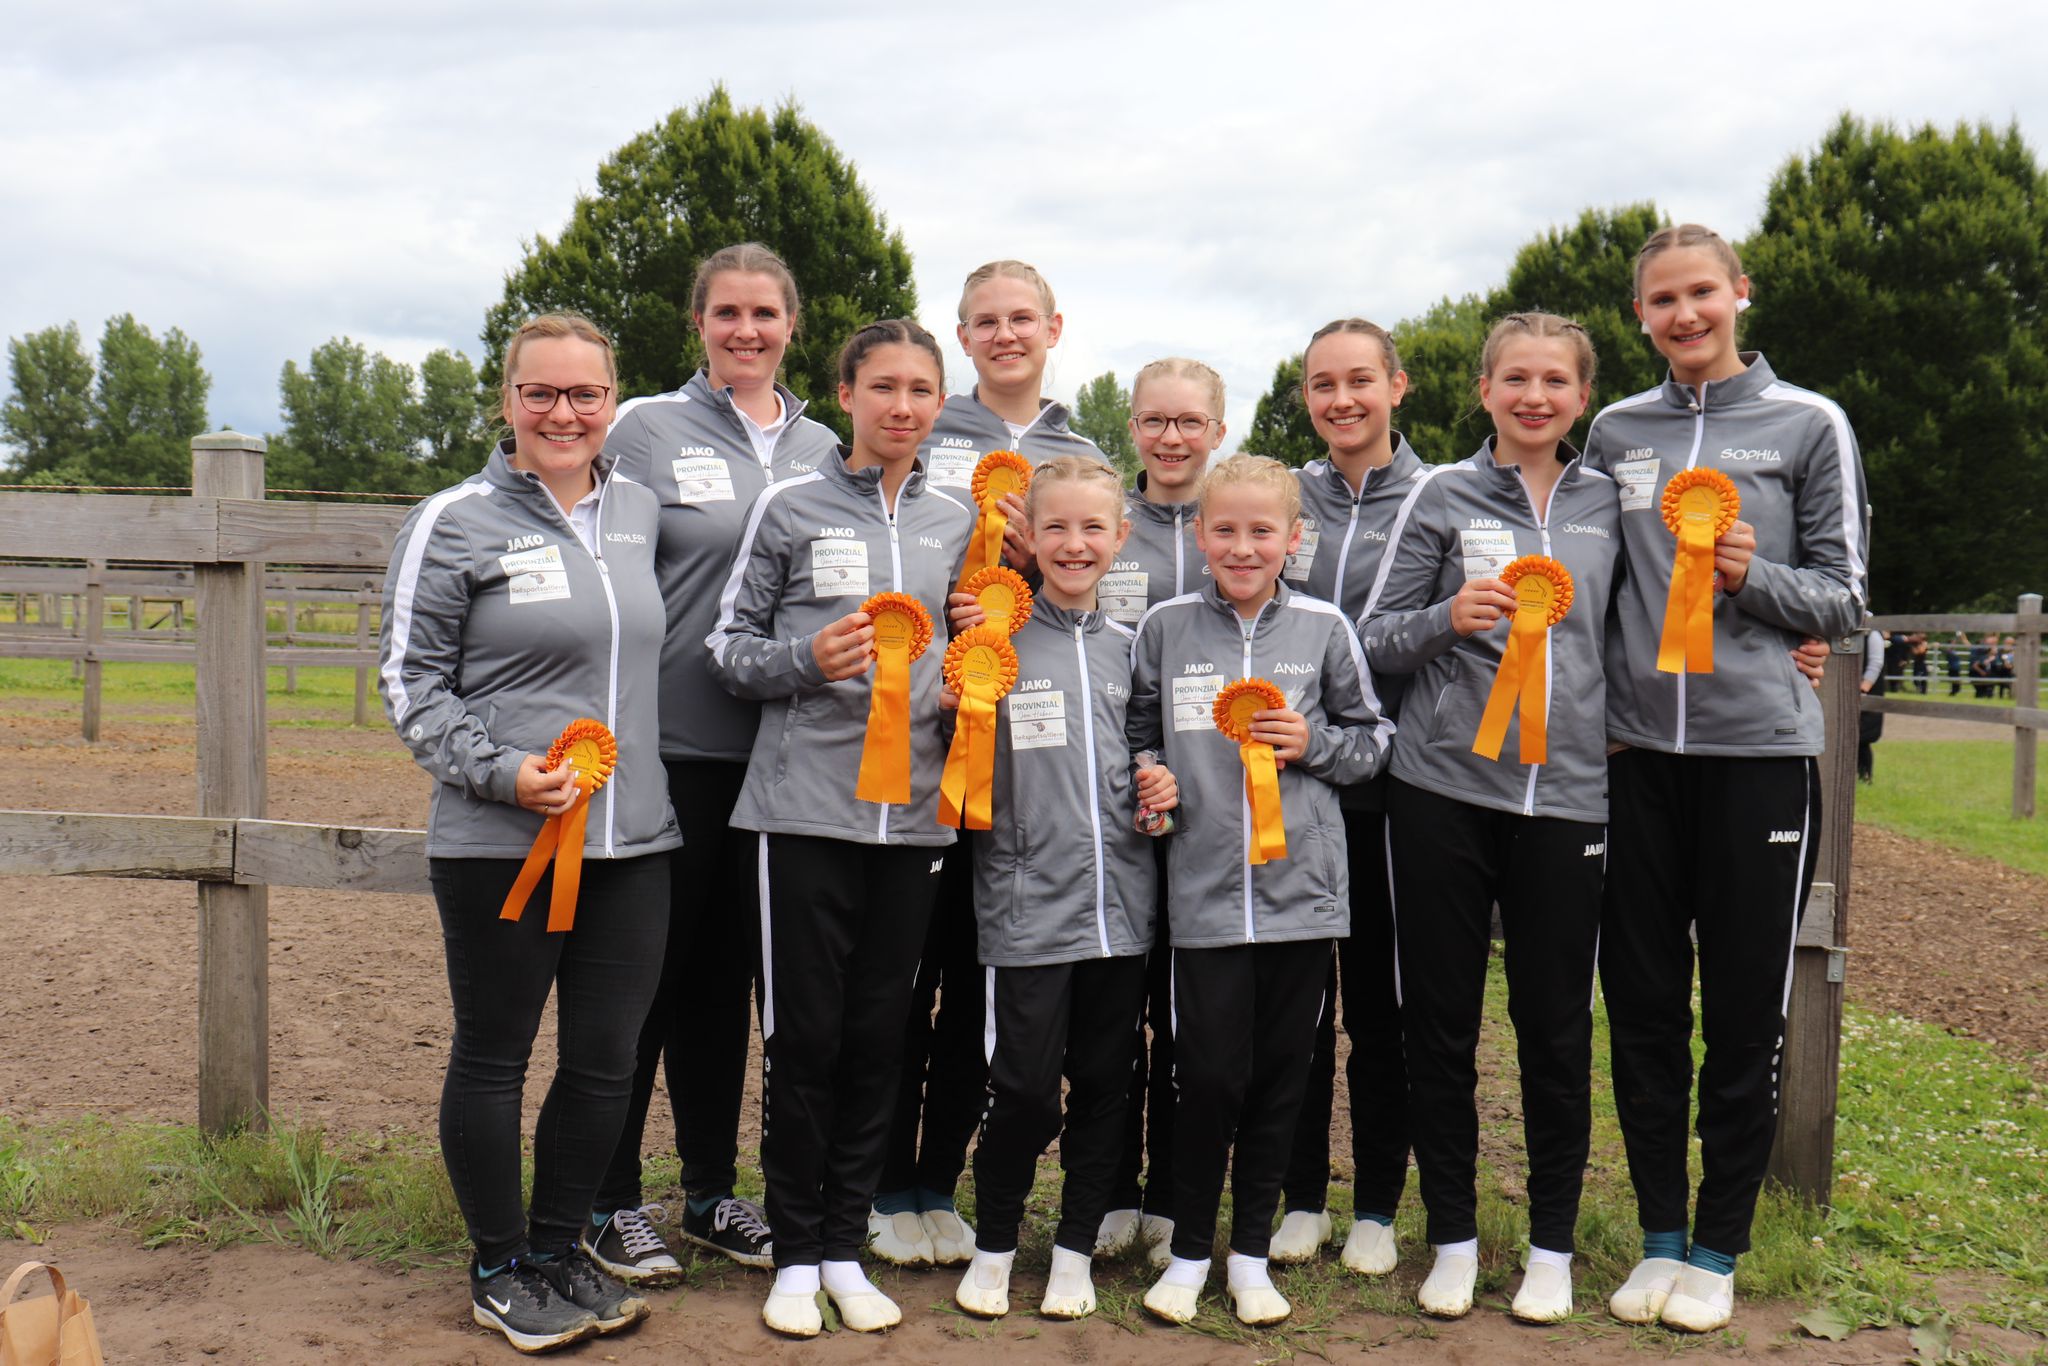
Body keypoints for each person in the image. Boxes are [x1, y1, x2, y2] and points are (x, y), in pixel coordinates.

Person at [1586, 225, 1868, 1334]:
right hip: (1636, 766)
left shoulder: (1809, 422)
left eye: (1701, 291)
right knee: (1643, 1008)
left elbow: (1844, 598)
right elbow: (1590, 586)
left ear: (1739, 293)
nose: (1684, 314)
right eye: (1662, 300)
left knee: (1745, 1014)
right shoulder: (1615, 430)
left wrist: (1755, 578)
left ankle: (1717, 1250)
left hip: (1757, 764)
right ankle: (1658, 1235)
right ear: (1640, 316)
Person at [380, 313, 675, 1353]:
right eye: (540, 393)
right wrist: (502, 771)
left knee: (605, 1061)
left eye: (585, 394)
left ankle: (558, 1250)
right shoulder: (451, 520)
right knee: (495, 1053)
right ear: (507, 400)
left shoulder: (638, 510)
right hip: (501, 843)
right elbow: (407, 682)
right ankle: (500, 1265)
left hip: (632, 843)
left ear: (611, 402)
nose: (563, 413)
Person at [706, 319, 976, 1337]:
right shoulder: (788, 505)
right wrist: (803, 660)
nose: (902, 407)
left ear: (937, 403)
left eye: (920, 390)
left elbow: (961, 653)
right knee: (803, 1039)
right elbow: (725, 648)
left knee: (878, 1039)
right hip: (799, 817)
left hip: (914, 826)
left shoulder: (956, 521)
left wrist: (955, 692)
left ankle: (843, 1246)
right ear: (847, 395)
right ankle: (792, 1253)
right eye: (883, 387)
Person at [589, 243, 840, 1283]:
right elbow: (603, 571)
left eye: (764, 313)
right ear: (697, 323)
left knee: (725, 988)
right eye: (726, 312)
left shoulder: (826, 445)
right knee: (643, 980)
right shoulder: (646, 430)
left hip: (782, 764)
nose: (746, 330)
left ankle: (705, 1193)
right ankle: (605, 1199)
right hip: (670, 751)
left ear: (791, 325)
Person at [1360, 312, 1619, 1321]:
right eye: (1515, 378)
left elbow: (1643, 628)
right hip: (1442, 794)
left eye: (1554, 381)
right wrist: (1446, 618)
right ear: (1484, 390)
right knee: (1439, 1026)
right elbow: (1373, 637)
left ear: (1581, 397)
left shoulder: (1610, 501)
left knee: (1555, 1029)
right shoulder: (1440, 493)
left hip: (1566, 797)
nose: (1533, 397)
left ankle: (1550, 1246)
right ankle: (1454, 1239)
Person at [875, 260, 1111, 1267]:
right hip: (926, 750)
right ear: (962, 334)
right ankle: (884, 1184)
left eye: (1022, 318)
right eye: (986, 321)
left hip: (1024, 770)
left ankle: (942, 1180)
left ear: (1053, 327)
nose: (1006, 334)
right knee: (904, 982)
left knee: (979, 990)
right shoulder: (930, 436)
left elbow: (1092, 591)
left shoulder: (1083, 453)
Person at [1129, 454, 1393, 1327]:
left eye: (1261, 531)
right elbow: (1135, 734)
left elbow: (1373, 741)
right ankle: (1188, 1253)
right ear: (1201, 535)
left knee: (1282, 1079)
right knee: (1207, 1078)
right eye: (1226, 530)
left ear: (1292, 537)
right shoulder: (1165, 628)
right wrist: (1150, 776)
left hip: (1301, 900)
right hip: (1202, 897)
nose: (1243, 548)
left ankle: (1248, 1257)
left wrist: (1314, 744)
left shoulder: (1324, 627)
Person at [948, 455, 1178, 1321]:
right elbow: (954, 760)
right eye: (1056, 527)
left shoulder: (1134, 648)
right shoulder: (993, 645)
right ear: (1029, 536)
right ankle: (996, 1245)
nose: (1075, 544)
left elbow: (1151, 753)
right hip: (1026, 910)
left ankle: (1075, 1249)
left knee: (1107, 1084)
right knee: (1022, 1093)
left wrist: (1162, 788)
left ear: (1121, 537)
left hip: (1122, 914)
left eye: (1092, 528)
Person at [1270, 319, 1429, 1273]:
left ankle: (1375, 1205)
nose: (1342, 400)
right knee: (1298, 1008)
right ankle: (1299, 1196)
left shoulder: (1440, 496)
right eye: (1323, 384)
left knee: (1379, 1009)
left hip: (1387, 792)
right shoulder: (1283, 497)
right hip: (1282, 792)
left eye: (1360, 380)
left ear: (1396, 387)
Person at [1095, 356, 1227, 1266]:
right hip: (1114, 807)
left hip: (1216, 815)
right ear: (1133, 427)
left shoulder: (1236, 525)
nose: (1170, 438)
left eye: (1188, 422)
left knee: (1193, 1018)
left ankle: (1179, 1197)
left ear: (1218, 429)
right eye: (1153, 421)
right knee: (1115, 1016)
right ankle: (1110, 1191)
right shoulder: (1105, 522)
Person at [1858, 628, 1887, 782]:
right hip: (1854, 691)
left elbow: (1876, 663)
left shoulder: (1873, 633)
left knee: (1863, 737)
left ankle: (1865, 775)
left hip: (1867, 691)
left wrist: (1864, 688)